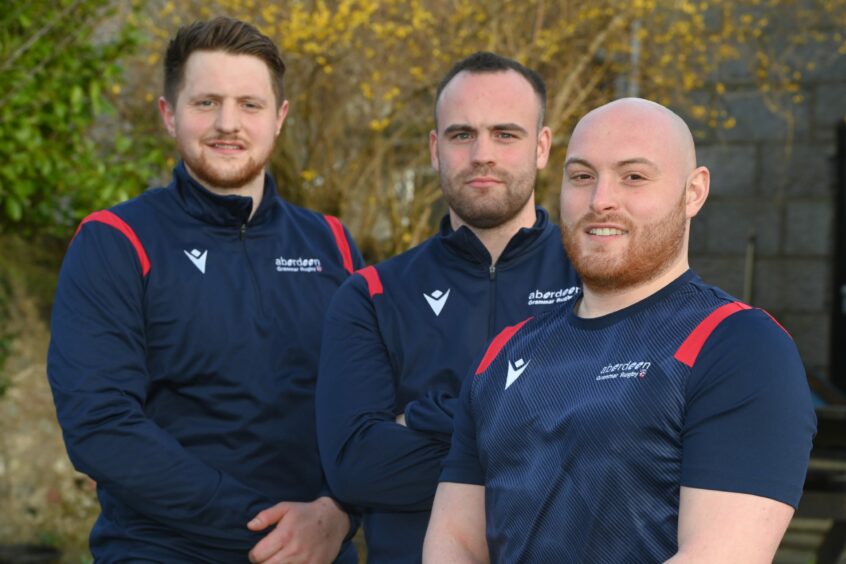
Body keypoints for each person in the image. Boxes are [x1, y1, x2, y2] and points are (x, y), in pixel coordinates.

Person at [423, 97, 817, 563]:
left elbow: (720, 555)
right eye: (582, 176)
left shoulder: (738, 346)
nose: (600, 200)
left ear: (694, 192)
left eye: (633, 176)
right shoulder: (505, 352)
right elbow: (456, 545)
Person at [47, 17, 362, 563]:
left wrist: (339, 513)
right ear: (169, 115)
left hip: (317, 548)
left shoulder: (332, 242)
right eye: (205, 102)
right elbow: (100, 425)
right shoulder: (116, 242)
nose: (227, 123)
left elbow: (369, 408)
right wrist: (265, 528)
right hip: (161, 550)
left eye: (250, 104)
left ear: (280, 118)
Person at [315, 52, 580, 562]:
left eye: (506, 134)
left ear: (542, 147)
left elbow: (624, 445)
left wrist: (419, 417)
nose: (483, 154)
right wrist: (543, 436)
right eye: (462, 135)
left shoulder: (595, 278)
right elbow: (355, 467)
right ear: (436, 150)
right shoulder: (371, 294)